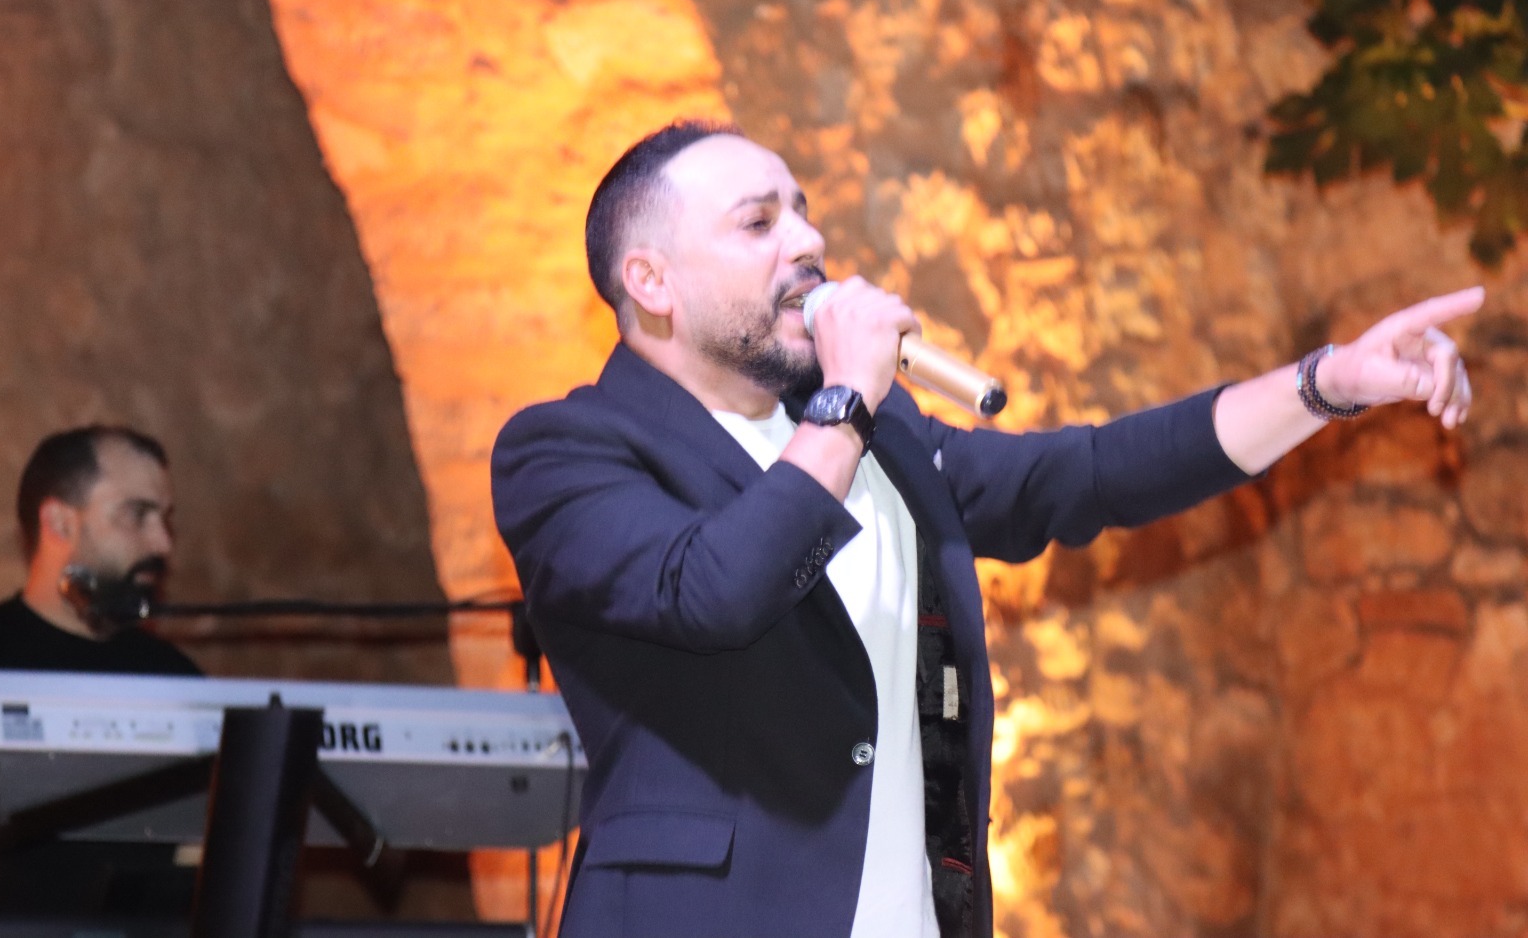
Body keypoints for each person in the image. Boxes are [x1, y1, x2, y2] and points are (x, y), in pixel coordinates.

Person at [489, 120, 1480, 938]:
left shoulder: (877, 436)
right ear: (651, 282)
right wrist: (847, 397)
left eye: (802, 210)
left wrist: (1325, 384)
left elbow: (1086, 475)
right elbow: (714, 591)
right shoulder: (566, 451)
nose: (806, 241)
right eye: (758, 222)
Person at [0, 424, 199, 675]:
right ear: (59, 523)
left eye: (165, 519)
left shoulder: (171, 676)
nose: (164, 543)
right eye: (136, 514)